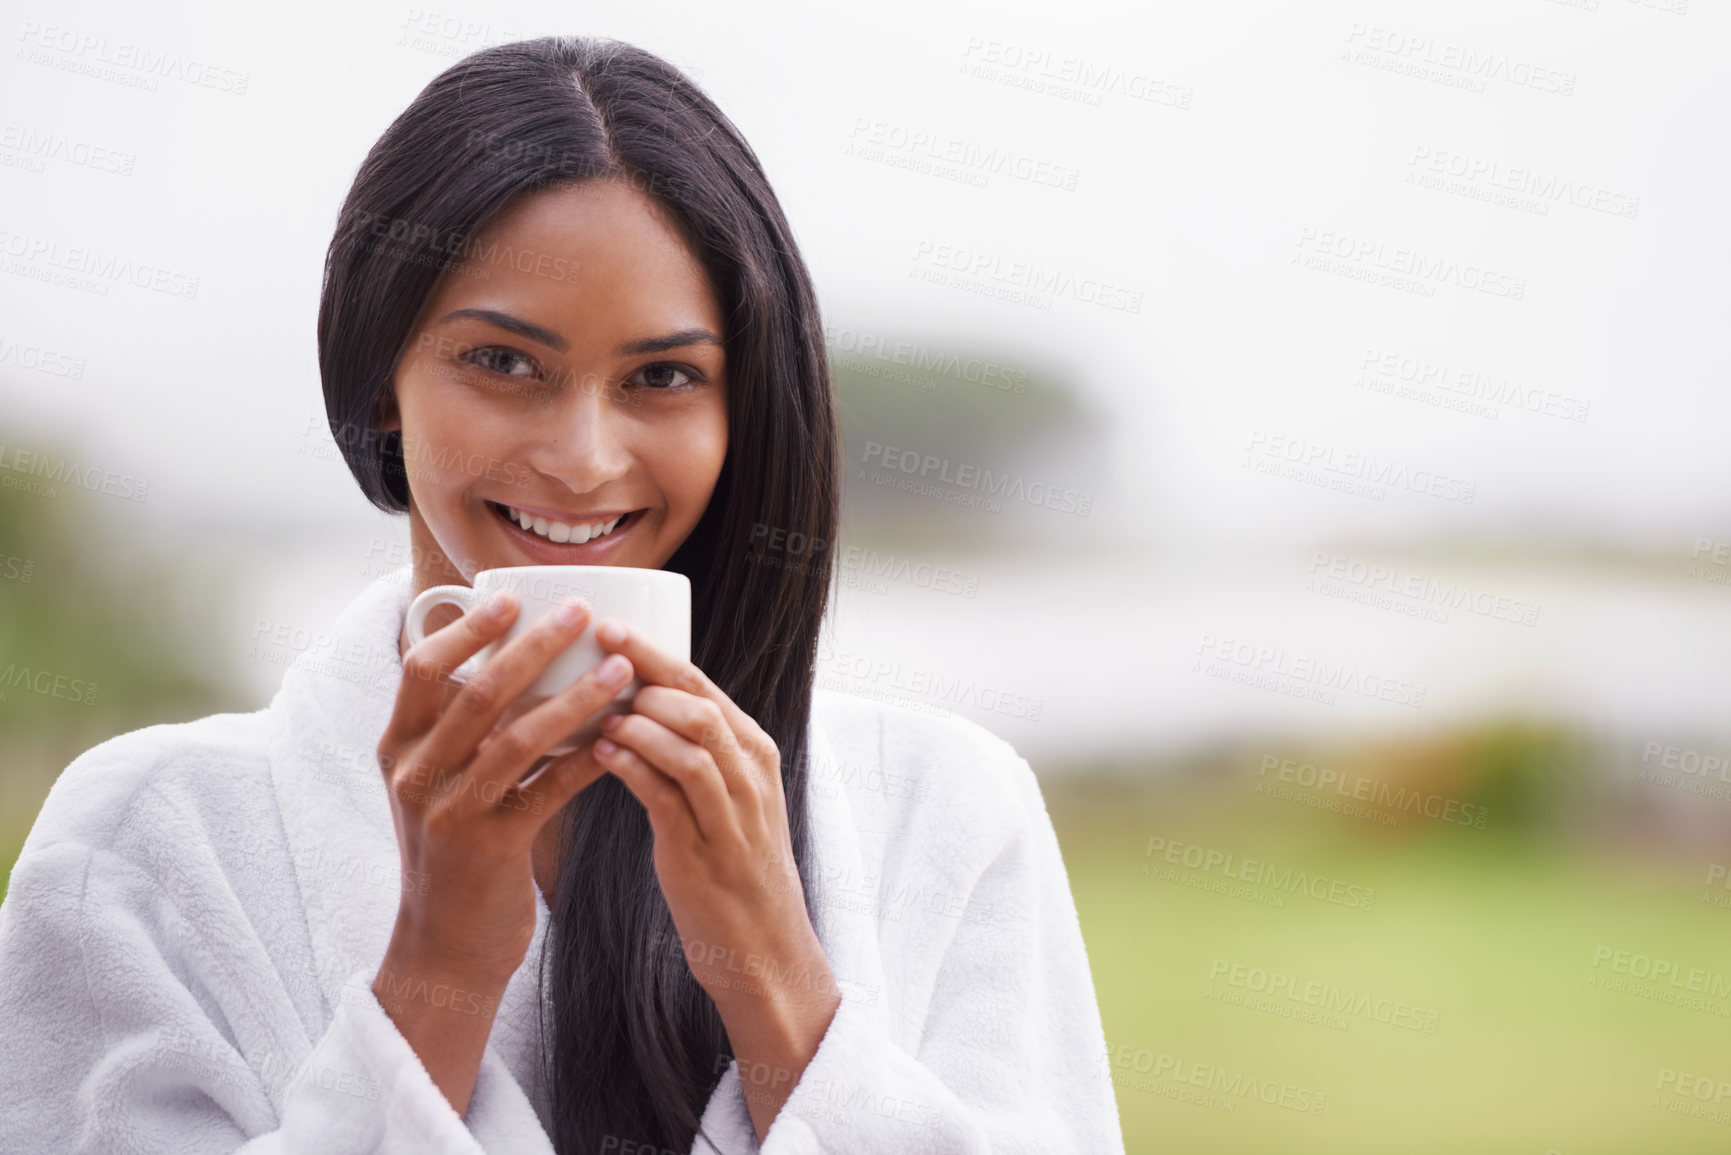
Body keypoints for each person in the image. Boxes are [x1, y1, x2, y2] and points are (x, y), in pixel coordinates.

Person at [0, 35, 1123, 1154]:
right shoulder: (147, 840)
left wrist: (777, 975)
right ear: (381, 380)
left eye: (663, 377)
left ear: (744, 411)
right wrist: (436, 972)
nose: (583, 459)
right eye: (502, 363)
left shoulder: (946, 813)